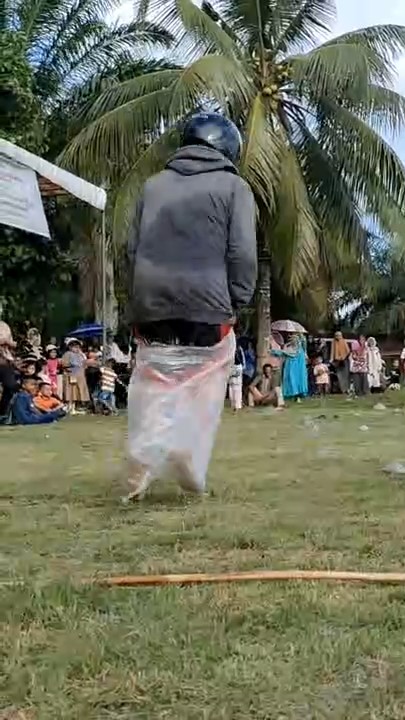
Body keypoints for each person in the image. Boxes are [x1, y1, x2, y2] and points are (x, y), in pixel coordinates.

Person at [122, 111, 256, 501]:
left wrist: (139, 299)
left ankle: (142, 457)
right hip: (208, 303)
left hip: (152, 304)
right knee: (206, 378)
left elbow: (130, 249)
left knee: (155, 379)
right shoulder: (234, 188)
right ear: (228, 148)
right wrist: (237, 300)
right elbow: (242, 253)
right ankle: (188, 455)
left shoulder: (152, 186)